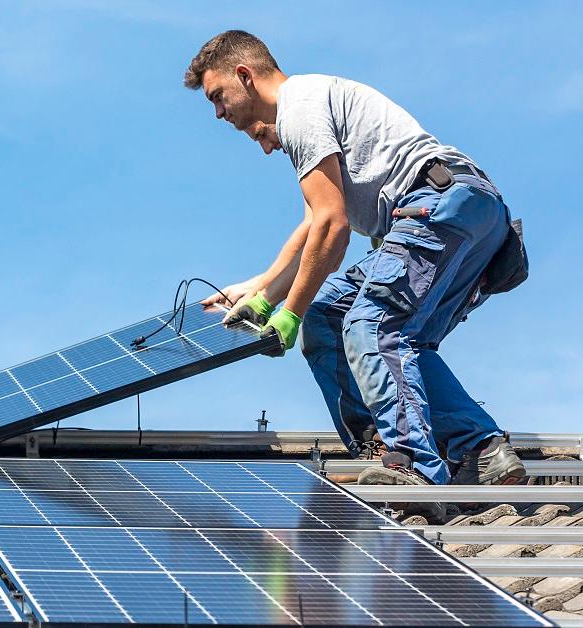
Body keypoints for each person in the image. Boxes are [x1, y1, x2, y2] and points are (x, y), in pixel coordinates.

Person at [187, 31, 526, 512]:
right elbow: (313, 226)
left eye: (218, 97)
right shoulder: (315, 104)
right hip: (468, 213)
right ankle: (482, 451)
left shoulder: (298, 105)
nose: (219, 113)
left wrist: (288, 314)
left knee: (370, 324)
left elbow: (333, 226)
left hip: (433, 208)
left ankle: (406, 461)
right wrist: (260, 289)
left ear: (244, 75)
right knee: (338, 320)